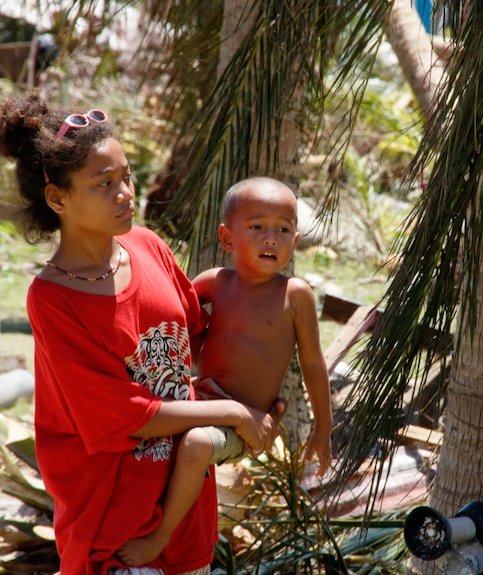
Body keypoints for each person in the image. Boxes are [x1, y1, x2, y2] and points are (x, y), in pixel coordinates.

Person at [0, 92, 283, 575]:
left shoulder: (147, 246)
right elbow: (124, 416)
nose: (125, 192)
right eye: (104, 184)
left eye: (125, 175)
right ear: (58, 198)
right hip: (118, 533)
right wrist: (234, 410)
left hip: (187, 515)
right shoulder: (53, 300)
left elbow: (203, 339)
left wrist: (260, 394)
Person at [116, 177, 333, 566]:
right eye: (257, 227)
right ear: (227, 238)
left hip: (242, 423)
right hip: (199, 400)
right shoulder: (214, 283)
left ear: (295, 241)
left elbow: (314, 363)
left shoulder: (294, 295)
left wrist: (323, 427)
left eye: (283, 229)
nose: (271, 238)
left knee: (197, 444)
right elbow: (175, 321)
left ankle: (159, 538)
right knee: (136, 432)